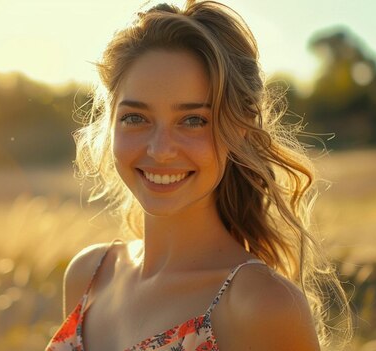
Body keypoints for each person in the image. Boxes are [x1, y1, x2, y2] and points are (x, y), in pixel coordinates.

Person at [46, 1, 351, 350]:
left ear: (241, 130)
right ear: (109, 123)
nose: (160, 149)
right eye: (135, 117)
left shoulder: (260, 305)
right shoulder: (90, 275)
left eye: (193, 120)